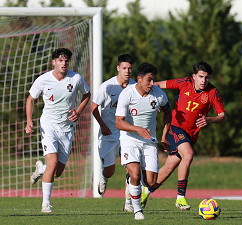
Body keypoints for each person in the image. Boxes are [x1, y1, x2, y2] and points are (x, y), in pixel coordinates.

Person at [141, 61, 226, 210]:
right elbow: (157, 85)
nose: (203, 81)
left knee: (169, 167)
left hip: (191, 134)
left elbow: (223, 117)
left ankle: (146, 190)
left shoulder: (212, 92)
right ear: (194, 76)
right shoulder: (184, 83)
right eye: (201, 77)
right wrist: (156, 100)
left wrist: (209, 119)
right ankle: (180, 197)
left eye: (207, 78)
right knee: (188, 154)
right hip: (176, 127)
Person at [26, 48, 91, 213]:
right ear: (53, 62)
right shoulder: (43, 80)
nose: (64, 63)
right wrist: (28, 121)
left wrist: (78, 111)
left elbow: (87, 95)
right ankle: (45, 204)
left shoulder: (75, 78)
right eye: (60, 60)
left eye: (66, 60)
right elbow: (31, 99)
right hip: (48, 125)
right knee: (53, 163)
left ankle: (40, 169)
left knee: (57, 172)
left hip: (67, 129)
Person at [115, 62, 171, 220]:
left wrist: (164, 136)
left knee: (150, 182)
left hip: (149, 141)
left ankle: (131, 182)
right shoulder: (127, 94)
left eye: (154, 80)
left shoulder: (159, 94)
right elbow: (118, 122)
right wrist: (137, 129)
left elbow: (168, 112)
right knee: (135, 175)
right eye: (149, 80)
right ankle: (137, 210)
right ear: (139, 79)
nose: (152, 83)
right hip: (129, 139)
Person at [91, 54, 136, 211]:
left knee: (132, 168)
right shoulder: (107, 86)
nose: (127, 71)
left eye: (130, 68)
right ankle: (104, 177)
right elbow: (93, 107)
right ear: (118, 68)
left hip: (127, 134)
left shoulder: (135, 87)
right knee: (110, 170)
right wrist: (102, 125)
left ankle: (128, 203)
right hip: (109, 134)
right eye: (124, 68)